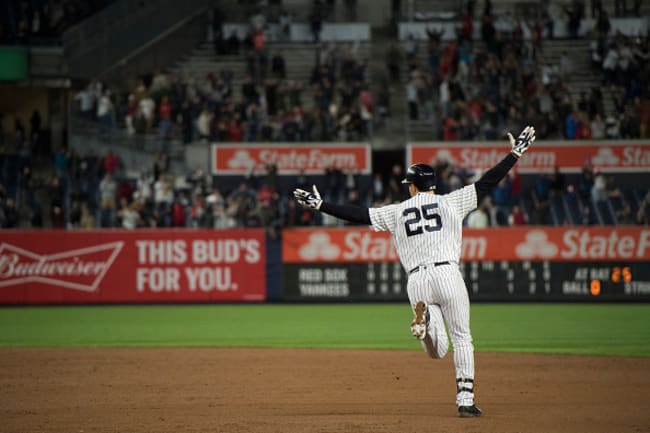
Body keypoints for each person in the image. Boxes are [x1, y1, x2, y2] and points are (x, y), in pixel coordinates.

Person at [293, 126, 536, 418]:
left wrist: (321, 204)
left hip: (417, 280)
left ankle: (428, 320)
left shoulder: (396, 211)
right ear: (432, 184)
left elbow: (357, 214)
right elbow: (487, 183)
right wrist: (514, 154)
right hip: (448, 274)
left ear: (412, 186)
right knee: (461, 339)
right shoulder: (451, 202)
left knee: (436, 351)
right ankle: (465, 400)